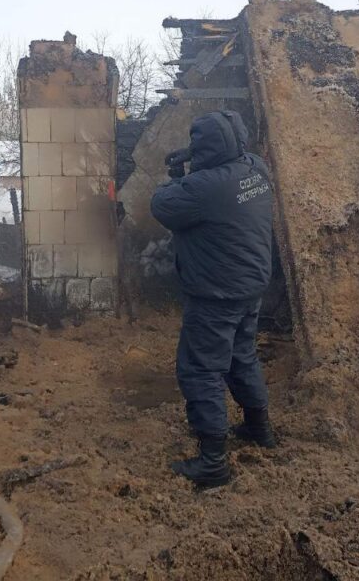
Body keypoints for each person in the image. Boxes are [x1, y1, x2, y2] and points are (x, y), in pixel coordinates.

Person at [150, 110, 277, 487]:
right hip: (250, 285)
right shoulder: (256, 169)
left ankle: (213, 461)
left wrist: (180, 173)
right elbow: (216, 174)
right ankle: (259, 428)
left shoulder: (203, 189)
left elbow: (163, 205)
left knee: (201, 368)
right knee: (241, 355)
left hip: (216, 293)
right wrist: (193, 159)